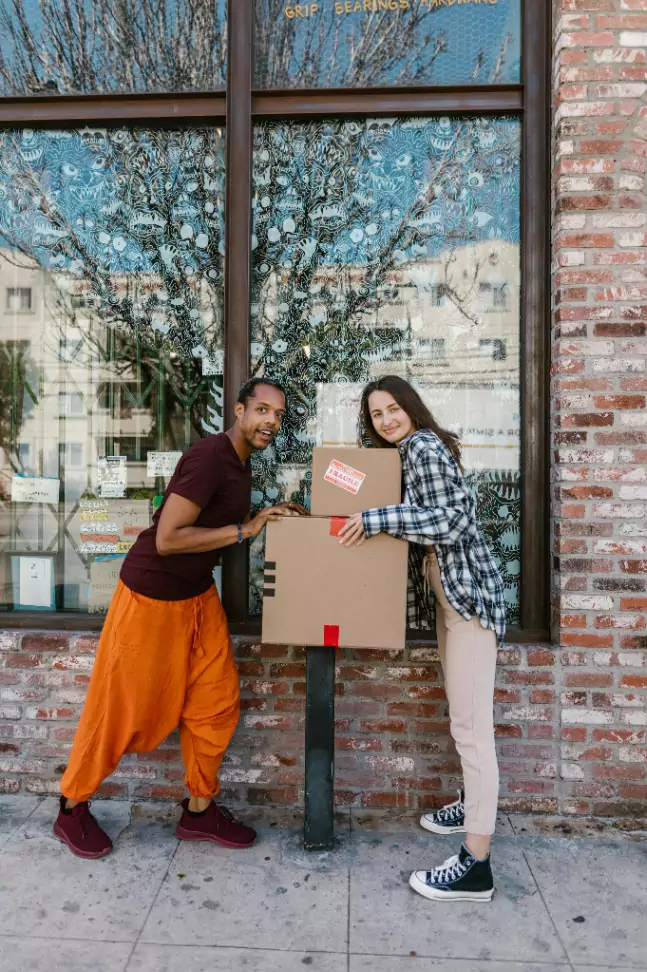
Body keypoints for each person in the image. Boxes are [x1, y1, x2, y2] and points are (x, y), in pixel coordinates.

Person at [54, 378, 304, 860]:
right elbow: (168, 538)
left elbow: (213, 526)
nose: (271, 420)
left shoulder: (240, 464)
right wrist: (247, 528)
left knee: (216, 703)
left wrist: (262, 517)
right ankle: (71, 807)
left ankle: (198, 811)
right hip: (151, 595)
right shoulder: (210, 457)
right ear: (239, 410)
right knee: (120, 710)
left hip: (197, 596)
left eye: (278, 414)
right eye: (262, 410)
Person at [339, 375, 506, 903]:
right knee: (463, 721)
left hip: (470, 605)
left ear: (411, 408)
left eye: (392, 409)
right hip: (452, 602)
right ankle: (468, 803)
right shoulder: (409, 451)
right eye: (376, 415)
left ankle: (476, 866)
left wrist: (374, 518)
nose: (386, 420)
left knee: (473, 731)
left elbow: (452, 522)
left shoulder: (426, 446)